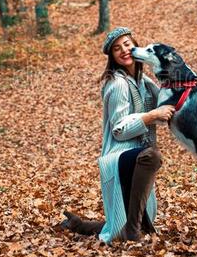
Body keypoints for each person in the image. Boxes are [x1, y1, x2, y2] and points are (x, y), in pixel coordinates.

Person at [61, 27, 175, 243]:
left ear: (135, 46)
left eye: (127, 44)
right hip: (119, 155)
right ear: (112, 56)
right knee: (152, 156)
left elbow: (165, 106)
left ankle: (81, 225)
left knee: (137, 222)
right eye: (116, 48)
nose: (123, 50)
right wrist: (151, 116)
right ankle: (132, 231)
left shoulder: (143, 81)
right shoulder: (119, 84)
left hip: (135, 154)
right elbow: (120, 130)